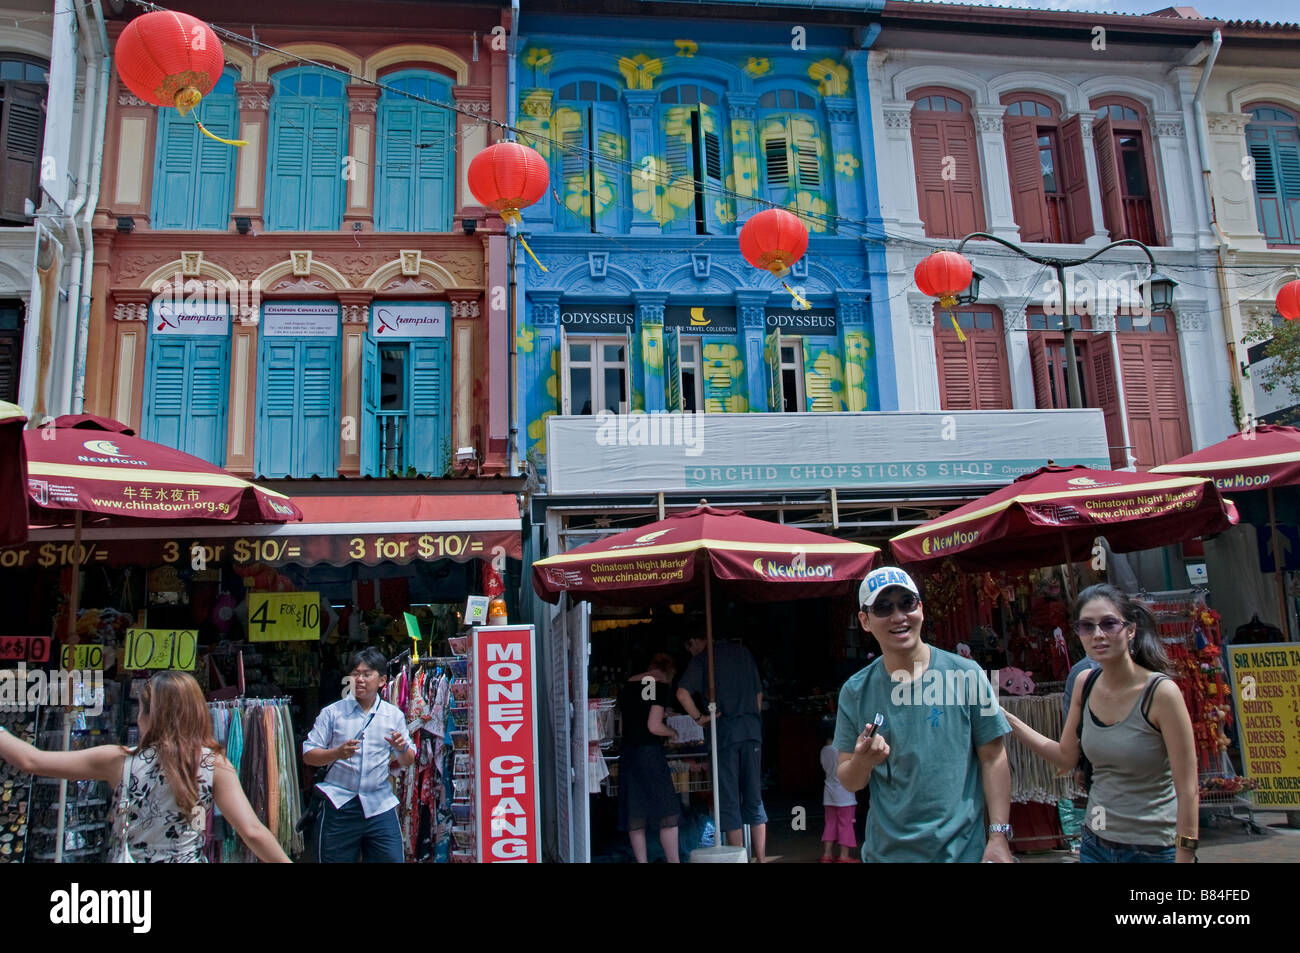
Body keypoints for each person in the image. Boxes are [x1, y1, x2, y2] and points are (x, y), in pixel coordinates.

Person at [0, 670, 289, 863]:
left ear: (151, 716)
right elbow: (253, 832)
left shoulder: (118, 760)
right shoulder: (213, 765)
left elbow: (30, 760)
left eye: (141, 709)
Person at [1002, 584, 1199, 863]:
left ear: (1130, 630)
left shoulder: (1161, 693)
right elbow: (1066, 758)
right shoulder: (1085, 684)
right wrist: (1008, 718)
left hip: (1152, 849)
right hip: (1096, 845)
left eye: (1109, 624)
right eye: (1086, 626)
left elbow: (1188, 788)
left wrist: (1185, 854)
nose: (1098, 635)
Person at [835, 567, 1013, 863]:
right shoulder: (855, 691)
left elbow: (993, 757)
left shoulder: (967, 675)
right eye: (883, 607)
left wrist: (998, 836)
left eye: (906, 603)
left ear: (921, 609)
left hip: (962, 852)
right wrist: (862, 762)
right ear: (865, 621)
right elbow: (850, 780)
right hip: (887, 855)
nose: (898, 616)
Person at [303, 647, 416, 863]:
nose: (360, 680)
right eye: (355, 674)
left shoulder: (393, 716)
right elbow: (309, 754)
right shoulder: (333, 713)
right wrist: (336, 753)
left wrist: (402, 749)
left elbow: (408, 760)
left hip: (379, 803)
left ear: (382, 680)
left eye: (367, 674)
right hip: (340, 804)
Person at [675, 634, 768, 862]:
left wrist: (699, 718)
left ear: (697, 639)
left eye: (689, 644)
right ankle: (761, 858)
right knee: (754, 797)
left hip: (725, 735)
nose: (690, 650)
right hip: (751, 732)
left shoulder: (703, 660)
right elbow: (758, 694)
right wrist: (750, 719)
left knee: (729, 800)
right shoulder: (743, 652)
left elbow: (681, 693)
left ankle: (739, 859)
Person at [617, 653, 682, 863]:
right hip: (649, 754)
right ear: (668, 672)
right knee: (668, 813)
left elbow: (626, 723)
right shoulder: (661, 685)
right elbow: (653, 726)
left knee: (636, 814)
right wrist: (672, 732)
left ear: (651, 666)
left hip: (629, 754)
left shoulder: (629, 684)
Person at [819, 718, 858, 863]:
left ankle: (827, 854)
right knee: (846, 824)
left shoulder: (824, 751)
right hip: (845, 794)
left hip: (828, 794)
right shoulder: (841, 750)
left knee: (830, 823)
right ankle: (844, 855)